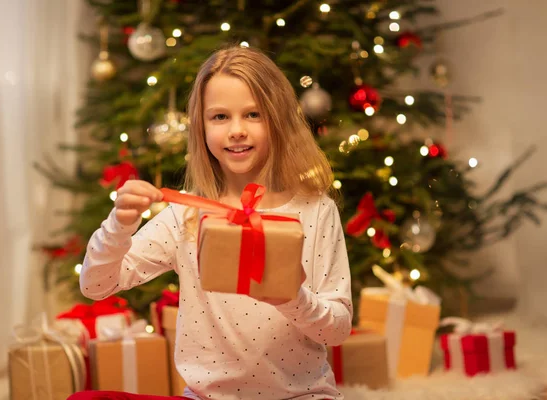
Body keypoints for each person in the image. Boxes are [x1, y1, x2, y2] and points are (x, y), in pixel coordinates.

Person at [69, 45, 353, 400]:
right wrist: (118, 225)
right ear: (201, 127)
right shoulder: (185, 215)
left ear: (278, 121)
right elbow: (95, 286)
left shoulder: (316, 211)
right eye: (220, 117)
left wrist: (292, 298)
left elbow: (338, 330)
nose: (236, 130)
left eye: (253, 114)